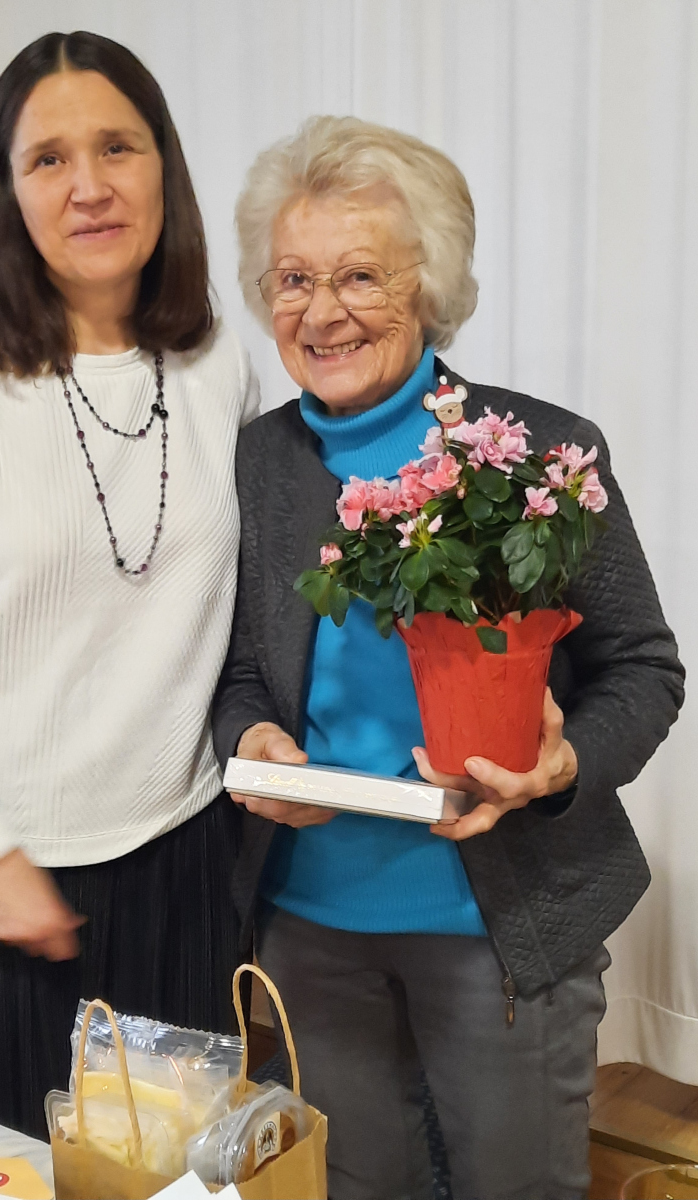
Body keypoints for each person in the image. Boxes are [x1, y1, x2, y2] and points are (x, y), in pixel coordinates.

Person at [213, 115, 685, 1200]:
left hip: (499, 927)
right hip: (311, 929)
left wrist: (562, 764)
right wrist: (253, 734)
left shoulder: (538, 455)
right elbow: (237, 670)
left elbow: (644, 669)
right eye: (292, 279)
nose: (320, 312)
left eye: (359, 276)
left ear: (428, 286)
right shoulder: (252, 466)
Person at [0, 31, 258, 1137]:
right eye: (48, 159)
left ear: (163, 163)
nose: (89, 186)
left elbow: (235, 603)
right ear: (7, 190)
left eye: (117, 147)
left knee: (166, 1171)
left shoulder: (217, 359)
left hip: (180, 853)